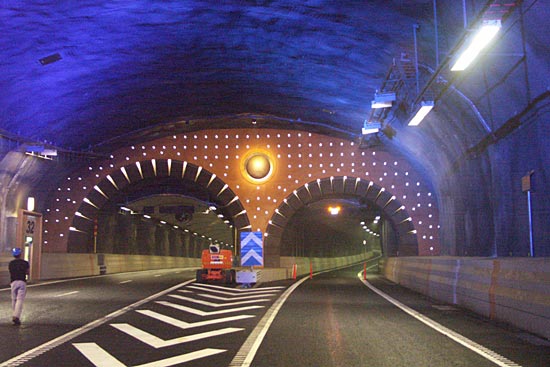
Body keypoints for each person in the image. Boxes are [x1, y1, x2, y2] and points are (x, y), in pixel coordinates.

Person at [9, 247, 29, 326]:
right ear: (20, 254)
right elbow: (27, 272)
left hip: (13, 282)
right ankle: (16, 316)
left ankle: (15, 314)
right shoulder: (25, 263)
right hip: (22, 281)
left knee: (14, 299)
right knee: (20, 299)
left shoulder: (11, 263)